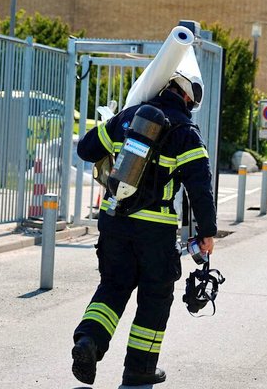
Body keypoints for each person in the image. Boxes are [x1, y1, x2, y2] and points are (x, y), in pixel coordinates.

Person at [71, 70, 217, 387]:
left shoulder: (129, 117)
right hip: (156, 228)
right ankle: (140, 368)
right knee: (155, 297)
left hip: (114, 219)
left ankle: (88, 341)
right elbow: (200, 185)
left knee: (113, 286)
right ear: (190, 96)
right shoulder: (186, 131)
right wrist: (207, 230)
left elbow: (86, 150)